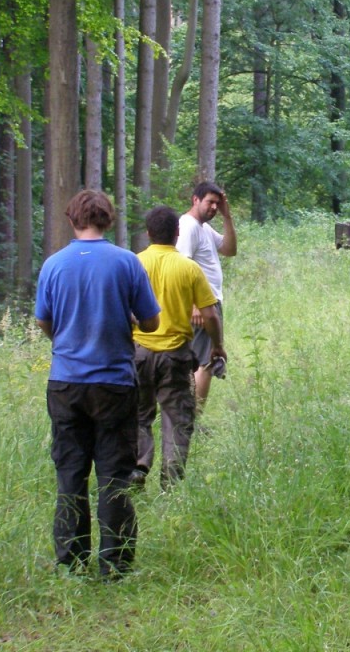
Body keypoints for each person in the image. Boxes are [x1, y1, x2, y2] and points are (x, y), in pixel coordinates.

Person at [35, 190, 161, 579]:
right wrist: (127, 322)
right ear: (107, 219)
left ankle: (70, 562)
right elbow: (152, 322)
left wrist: (67, 337)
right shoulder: (127, 262)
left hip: (65, 382)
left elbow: (43, 321)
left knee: (70, 472)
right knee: (114, 473)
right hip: (115, 383)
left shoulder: (53, 265)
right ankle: (114, 564)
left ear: (72, 219)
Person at [133, 206, 226, 489]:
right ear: (176, 233)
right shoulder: (189, 268)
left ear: (148, 233)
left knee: (138, 414)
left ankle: (138, 466)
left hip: (138, 352)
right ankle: (171, 480)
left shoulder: (134, 264)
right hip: (175, 355)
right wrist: (217, 346)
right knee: (177, 417)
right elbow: (210, 315)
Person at [176, 181, 236, 414]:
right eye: (210, 202)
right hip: (202, 306)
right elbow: (182, 266)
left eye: (217, 204)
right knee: (206, 362)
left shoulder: (203, 228)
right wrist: (193, 304)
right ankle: (193, 419)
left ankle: (190, 416)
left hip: (209, 302)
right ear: (195, 200)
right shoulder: (188, 225)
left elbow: (230, 250)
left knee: (204, 361)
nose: (213, 207)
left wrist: (227, 217)